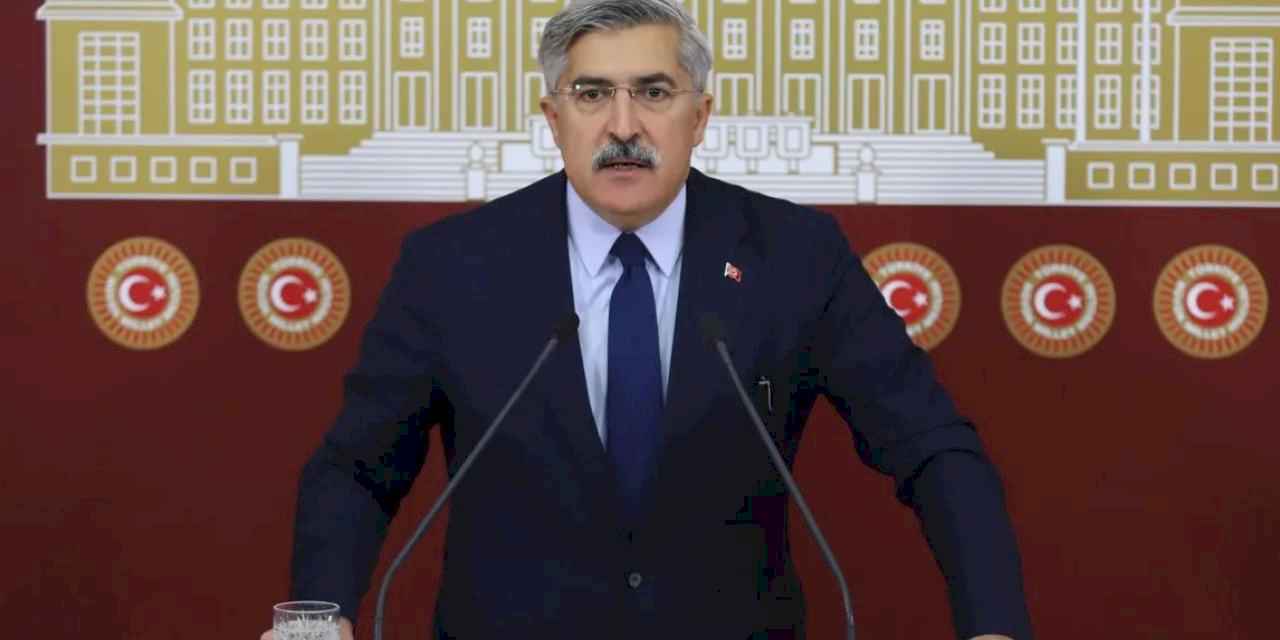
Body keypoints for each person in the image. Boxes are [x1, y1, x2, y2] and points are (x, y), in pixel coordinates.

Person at [262, 1, 1032, 639]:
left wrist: (993, 626)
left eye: (654, 93)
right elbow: (356, 470)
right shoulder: (450, 266)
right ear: (553, 117)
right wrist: (318, 621)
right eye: (592, 94)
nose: (623, 125)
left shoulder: (796, 255)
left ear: (700, 116)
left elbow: (933, 447)